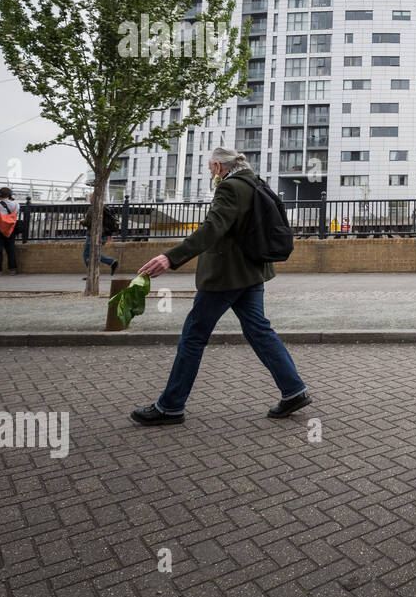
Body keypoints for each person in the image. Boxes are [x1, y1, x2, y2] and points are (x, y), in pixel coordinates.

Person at [128, 147, 310, 426]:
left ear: (217, 166)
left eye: (210, 167)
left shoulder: (230, 188)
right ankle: (293, 390)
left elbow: (212, 229)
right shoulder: (255, 182)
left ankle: (170, 406)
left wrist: (170, 257)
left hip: (225, 275)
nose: (210, 172)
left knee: (193, 336)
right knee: (260, 330)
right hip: (251, 272)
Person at [80, 203, 120, 278]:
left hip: (93, 235)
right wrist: (109, 235)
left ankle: (92, 274)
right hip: (104, 235)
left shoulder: (93, 208)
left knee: (87, 254)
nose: (89, 199)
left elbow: (88, 222)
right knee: (95, 254)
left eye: (90, 197)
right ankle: (111, 262)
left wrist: (82, 221)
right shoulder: (105, 208)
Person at [0, 187, 20, 276]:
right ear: (10, 195)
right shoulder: (16, 205)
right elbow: (16, 214)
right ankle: (12, 270)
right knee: (11, 250)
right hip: (10, 229)